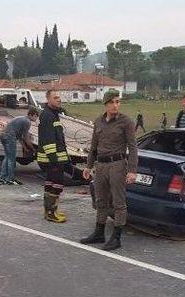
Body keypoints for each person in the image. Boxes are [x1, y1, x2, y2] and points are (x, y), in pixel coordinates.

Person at [80, 89, 138, 251]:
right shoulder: (98, 121)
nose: (115, 105)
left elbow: (133, 147)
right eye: (111, 102)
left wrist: (132, 170)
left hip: (117, 165)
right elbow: (94, 146)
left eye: (117, 102)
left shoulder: (126, 122)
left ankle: (117, 237)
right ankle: (99, 233)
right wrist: (89, 166)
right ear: (105, 104)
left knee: (119, 203)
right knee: (100, 201)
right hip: (101, 166)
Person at [37, 90, 70, 223]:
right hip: (52, 160)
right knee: (56, 184)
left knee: (50, 184)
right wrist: (55, 160)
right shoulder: (48, 115)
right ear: (48, 100)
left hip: (53, 159)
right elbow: (48, 140)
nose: (59, 100)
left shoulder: (53, 114)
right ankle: (51, 213)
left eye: (59, 97)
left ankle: (49, 211)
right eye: (55, 98)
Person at [0, 107, 40, 185]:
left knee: (7, 157)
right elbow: (26, 138)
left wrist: (25, 148)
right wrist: (33, 149)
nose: (36, 119)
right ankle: (10, 179)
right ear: (32, 115)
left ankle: (2, 177)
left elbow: (20, 137)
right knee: (11, 159)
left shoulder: (21, 119)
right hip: (10, 137)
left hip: (3, 136)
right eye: (36, 116)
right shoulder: (27, 122)